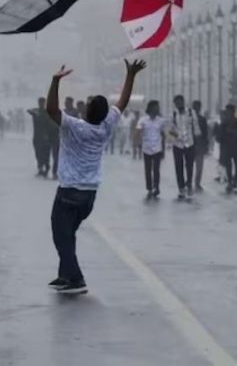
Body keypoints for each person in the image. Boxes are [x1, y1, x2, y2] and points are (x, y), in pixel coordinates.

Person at [46, 59, 145, 295]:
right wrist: (130, 75)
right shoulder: (106, 126)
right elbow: (122, 102)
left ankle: (76, 278)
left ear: (88, 110)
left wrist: (55, 81)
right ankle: (64, 274)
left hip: (69, 191)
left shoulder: (74, 127)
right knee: (67, 234)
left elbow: (50, 110)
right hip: (88, 195)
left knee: (61, 234)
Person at [170, 95, 199, 200]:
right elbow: (171, 129)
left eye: (180, 102)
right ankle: (181, 187)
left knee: (190, 166)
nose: (179, 104)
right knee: (179, 166)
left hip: (189, 143)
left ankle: (189, 184)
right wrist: (175, 135)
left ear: (183, 101)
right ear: (175, 104)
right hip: (177, 144)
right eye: (177, 103)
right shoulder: (173, 114)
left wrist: (197, 142)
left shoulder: (191, 113)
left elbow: (196, 128)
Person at [137, 100, 168, 199]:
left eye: (158, 107)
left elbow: (164, 135)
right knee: (148, 170)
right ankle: (149, 188)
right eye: (156, 107)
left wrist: (163, 149)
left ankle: (156, 187)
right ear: (151, 108)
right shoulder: (143, 120)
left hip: (157, 148)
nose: (158, 108)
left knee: (156, 170)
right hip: (146, 148)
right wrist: (138, 142)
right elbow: (138, 132)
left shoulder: (161, 121)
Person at [216, 105, 237, 193]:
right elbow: (219, 136)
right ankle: (230, 181)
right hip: (227, 146)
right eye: (227, 111)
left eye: (230, 111)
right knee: (228, 165)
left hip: (236, 146)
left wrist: (235, 134)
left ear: (233, 111)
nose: (229, 112)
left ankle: (235, 178)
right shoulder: (224, 123)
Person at [28, 98, 54, 177]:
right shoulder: (36, 111)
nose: (41, 104)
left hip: (45, 136)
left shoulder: (47, 112)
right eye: (40, 103)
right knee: (38, 153)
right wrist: (35, 112)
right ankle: (40, 167)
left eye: (42, 103)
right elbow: (29, 111)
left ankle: (46, 167)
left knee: (45, 153)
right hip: (37, 136)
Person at [191, 100, 209, 192]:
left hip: (200, 145)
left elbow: (205, 133)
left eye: (198, 107)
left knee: (199, 166)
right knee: (189, 165)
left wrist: (206, 145)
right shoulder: (189, 119)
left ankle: (197, 183)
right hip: (190, 145)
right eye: (195, 107)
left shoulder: (202, 119)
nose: (197, 109)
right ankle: (189, 182)